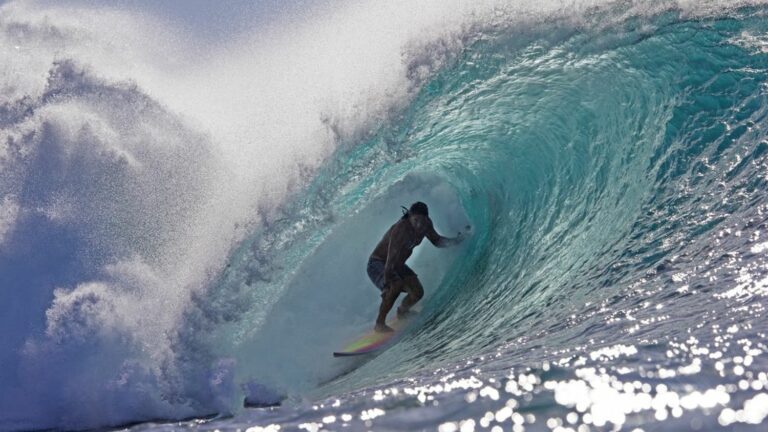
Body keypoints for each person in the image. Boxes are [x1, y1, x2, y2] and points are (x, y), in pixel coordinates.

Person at [367, 201, 465, 332]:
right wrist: (386, 285)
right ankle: (379, 324)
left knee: (417, 292)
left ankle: (402, 311)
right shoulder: (400, 230)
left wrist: (455, 241)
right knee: (394, 285)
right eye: (416, 220)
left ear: (427, 219)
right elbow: (390, 260)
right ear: (410, 216)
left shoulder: (426, 225)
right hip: (378, 263)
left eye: (423, 220)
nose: (419, 224)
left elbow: (437, 241)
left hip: (398, 265)